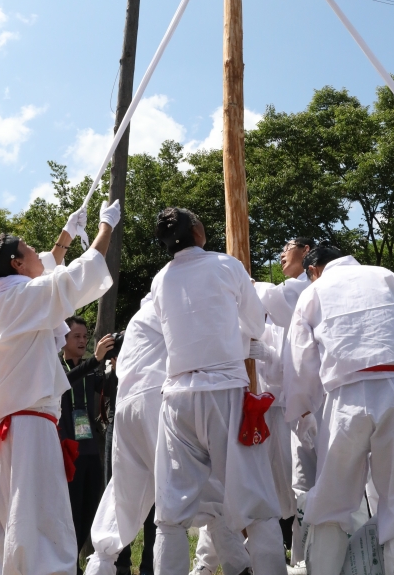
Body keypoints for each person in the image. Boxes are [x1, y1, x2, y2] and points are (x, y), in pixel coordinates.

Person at [0, 200, 119, 575]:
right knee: (42, 528)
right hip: (28, 430)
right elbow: (72, 279)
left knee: (2, 534)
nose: (36, 251)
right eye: (29, 249)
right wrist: (104, 228)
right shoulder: (23, 299)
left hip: (8, 431)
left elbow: (45, 271)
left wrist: (65, 236)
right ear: (16, 263)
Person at [284, 244, 394, 575]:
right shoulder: (385, 277)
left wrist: (304, 417)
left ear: (314, 270)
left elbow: (300, 364)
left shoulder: (314, 293)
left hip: (344, 397)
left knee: (331, 498)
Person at [151, 207, 286, 575]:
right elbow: (256, 323)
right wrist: (240, 341)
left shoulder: (160, 279)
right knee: (258, 504)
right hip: (224, 388)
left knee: (171, 514)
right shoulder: (226, 265)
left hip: (177, 394)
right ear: (197, 230)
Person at [86, 291, 249, 575]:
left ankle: (100, 567)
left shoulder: (139, 318)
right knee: (205, 489)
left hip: (127, 406)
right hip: (158, 399)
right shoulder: (174, 305)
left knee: (123, 493)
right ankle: (240, 567)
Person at [253, 237, 316, 575]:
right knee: (298, 485)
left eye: (287, 248)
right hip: (286, 405)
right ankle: (301, 557)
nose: (280, 254)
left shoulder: (305, 289)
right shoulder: (278, 310)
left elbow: (275, 297)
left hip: (316, 400)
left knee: (325, 480)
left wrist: (242, 280)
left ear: (307, 253)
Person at [59, 316, 115, 569]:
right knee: (70, 512)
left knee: (92, 509)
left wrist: (115, 368)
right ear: (63, 339)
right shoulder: (56, 367)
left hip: (90, 450)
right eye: (76, 337)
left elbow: (109, 389)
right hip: (66, 451)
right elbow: (67, 381)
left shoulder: (91, 367)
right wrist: (95, 360)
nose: (82, 341)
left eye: (85, 336)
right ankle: (67, 564)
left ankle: (75, 563)